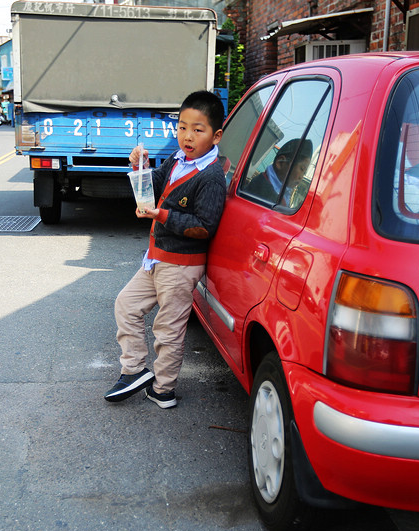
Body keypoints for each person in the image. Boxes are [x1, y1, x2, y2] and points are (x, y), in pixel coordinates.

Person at [104, 90, 227, 409]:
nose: (188, 136)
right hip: (157, 257)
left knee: (168, 330)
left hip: (182, 264)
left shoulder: (212, 177)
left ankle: (163, 390)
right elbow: (156, 183)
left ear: (216, 136)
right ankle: (134, 371)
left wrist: (162, 215)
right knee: (126, 305)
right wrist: (141, 166)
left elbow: (205, 226)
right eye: (182, 127)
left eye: (198, 130)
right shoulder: (177, 159)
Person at [246, 138, 313, 205]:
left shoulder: (280, 192)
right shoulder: (262, 191)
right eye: (302, 169)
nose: (301, 177)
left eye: (304, 173)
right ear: (280, 163)